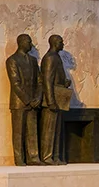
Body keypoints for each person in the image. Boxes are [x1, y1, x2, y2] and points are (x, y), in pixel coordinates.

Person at [4, 34, 42, 165]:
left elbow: (39, 80)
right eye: (29, 42)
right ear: (21, 43)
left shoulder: (32, 61)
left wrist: (38, 97)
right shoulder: (12, 60)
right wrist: (28, 100)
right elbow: (15, 84)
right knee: (18, 132)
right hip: (19, 102)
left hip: (33, 102)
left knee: (33, 131)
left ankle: (33, 157)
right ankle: (19, 158)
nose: (30, 45)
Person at [36, 34, 74, 165]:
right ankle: (47, 157)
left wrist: (64, 82)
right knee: (49, 129)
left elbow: (55, 77)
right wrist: (50, 101)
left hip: (59, 98)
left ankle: (55, 156)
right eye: (61, 42)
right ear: (54, 43)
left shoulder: (56, 57)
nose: (63, 44)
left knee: (56, 130)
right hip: (52, 100)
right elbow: (47, 80)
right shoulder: (50, 58)